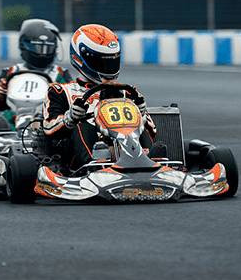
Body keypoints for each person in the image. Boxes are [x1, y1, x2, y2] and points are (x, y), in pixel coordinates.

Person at [43, 24, 156, 171]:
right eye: (101, 62)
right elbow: (48, 128)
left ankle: (150, 163)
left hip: (126, 149)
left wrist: (142, 116)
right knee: (81, 125)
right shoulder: (60, 91)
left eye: (111, 61)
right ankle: (94, 167)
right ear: (80, 58)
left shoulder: (127, 92)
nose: (108, 67)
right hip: (79, 160)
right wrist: (70, 118)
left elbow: (153, 132)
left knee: (138, 125)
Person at [0, 19, 72, 125]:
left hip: (47, 119)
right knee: (2, 118)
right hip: (13, 118)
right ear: (24, 45)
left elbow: (70, 102)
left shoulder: (60, 74)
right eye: (39, 48)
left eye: (47, 48)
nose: (43, 54)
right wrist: (1, 95)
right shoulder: (11, 72)